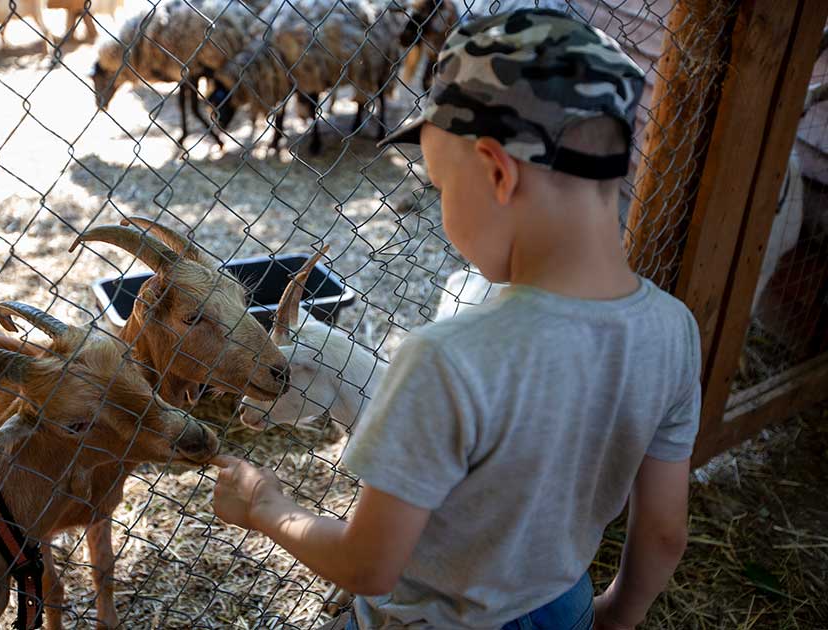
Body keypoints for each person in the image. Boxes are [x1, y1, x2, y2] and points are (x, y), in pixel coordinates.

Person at [210, 8, 701, 630]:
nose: (443, 210)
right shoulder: (673, 329)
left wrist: (264, 505)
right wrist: (614, 616)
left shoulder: (448, 356)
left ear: (497, 172)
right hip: (564, 608)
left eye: (442, 186)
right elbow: (663, 534)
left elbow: (368, 566)